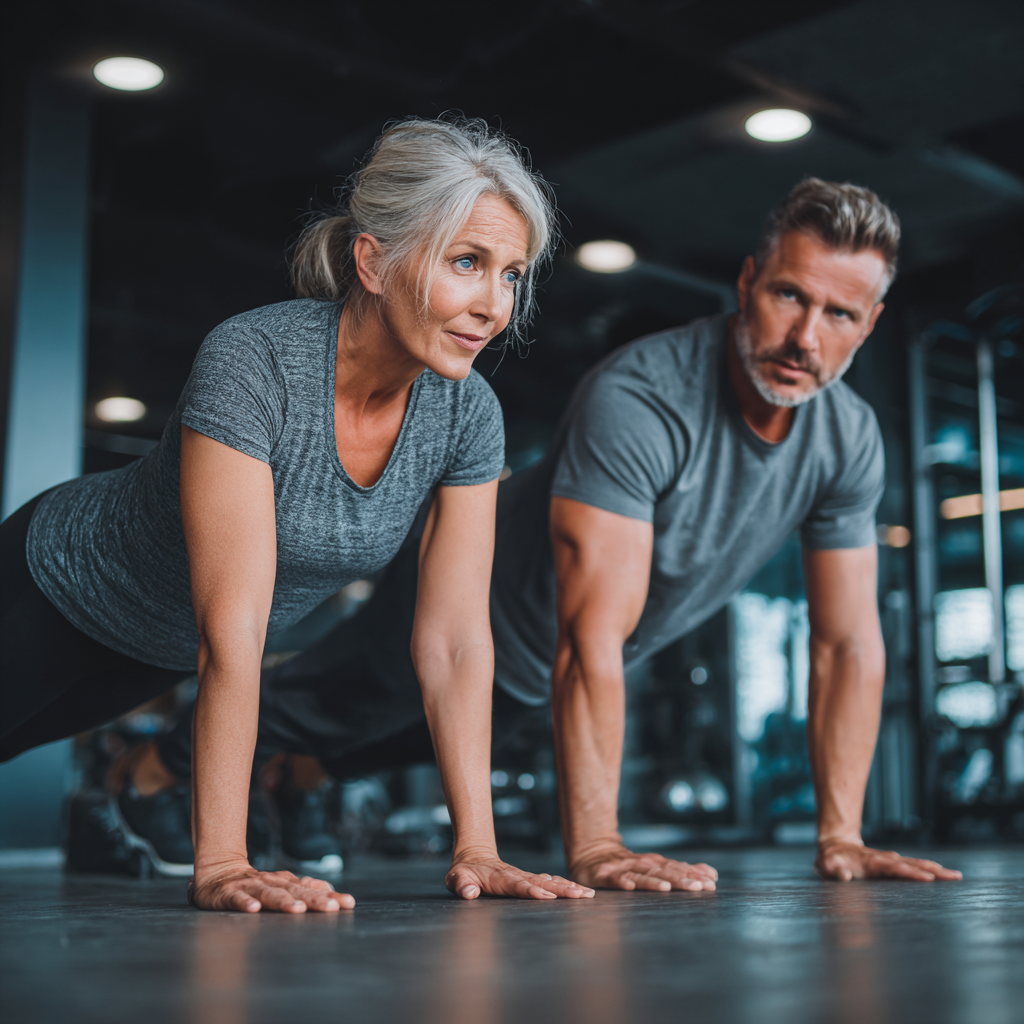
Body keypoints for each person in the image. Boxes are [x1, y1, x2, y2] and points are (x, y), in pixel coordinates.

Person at [115, 178, 963, 888]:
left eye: (840, 314)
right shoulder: (645, 397)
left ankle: (300, 782)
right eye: (789, 296)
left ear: (871, 323)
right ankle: (145, 777)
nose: (805, 338)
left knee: (383, 745)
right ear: (748, 283)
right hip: (476, 610)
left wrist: (840, 837)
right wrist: (597, 847)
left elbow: (847, 644)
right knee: (323, 707)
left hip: (535, 678)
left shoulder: (848, 438)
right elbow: (589, 639)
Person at [0, 117, 595, 911]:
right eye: (467, 262)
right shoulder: (255, 361)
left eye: (512, 274)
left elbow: (454, 642)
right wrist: (224, 862)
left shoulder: (468, 416)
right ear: (373, 261)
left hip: (154, 651)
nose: (494, 304)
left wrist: (478, 850)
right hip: (57, 588)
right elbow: (234, 629)